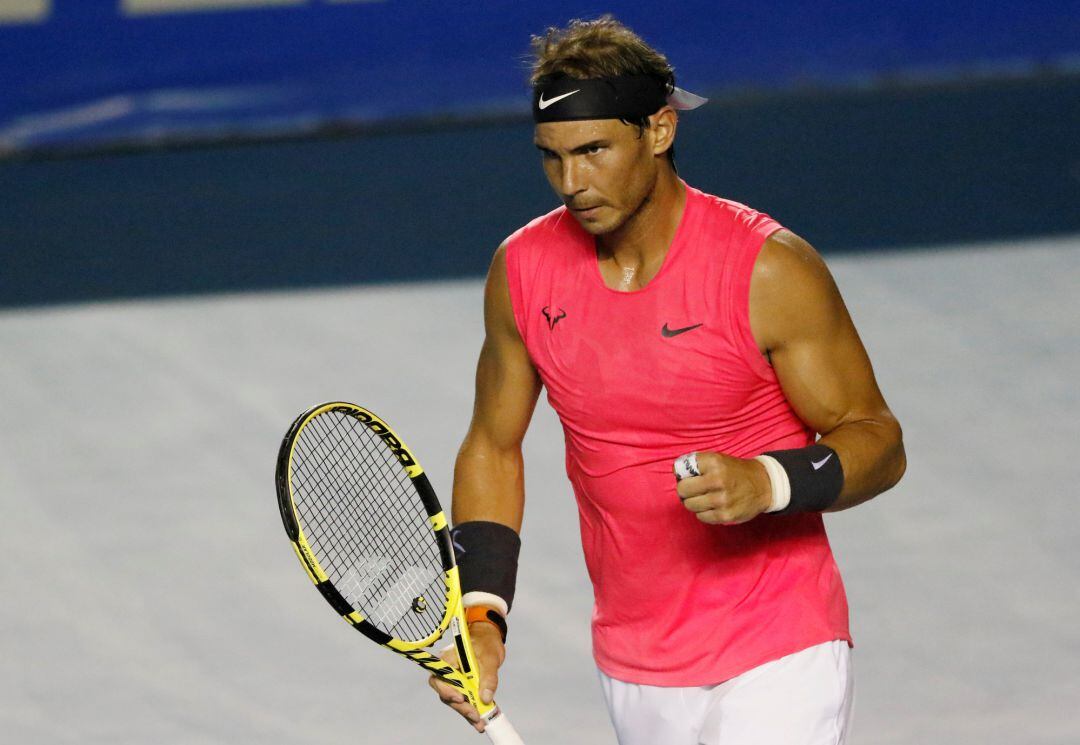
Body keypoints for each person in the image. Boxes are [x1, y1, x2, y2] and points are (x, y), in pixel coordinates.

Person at [429, 16, 905, 745]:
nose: (572, 183)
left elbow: (878, 440)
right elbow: (493, 445)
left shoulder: (769, 269)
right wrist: (481, 615)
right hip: (636, 659)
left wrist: (768, 482)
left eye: (593, 150)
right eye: (552, 158)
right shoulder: (521, 270)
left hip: (779, 641)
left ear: (657, 130)